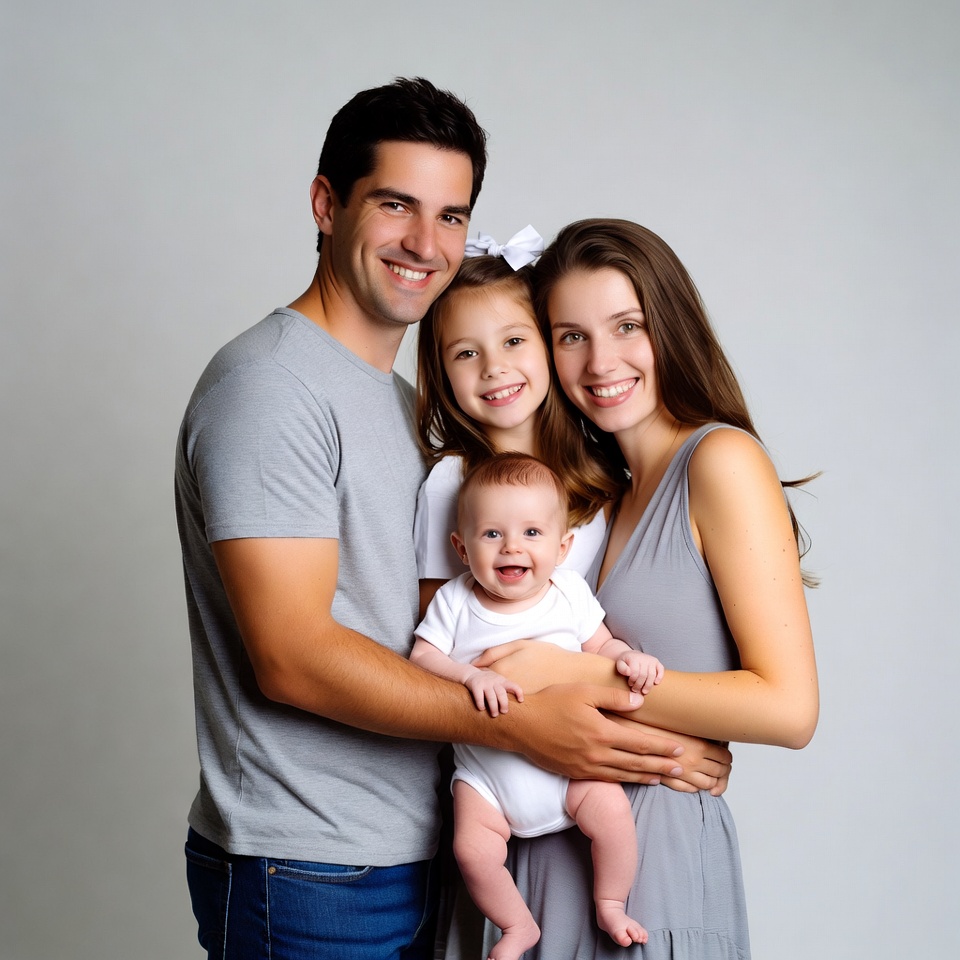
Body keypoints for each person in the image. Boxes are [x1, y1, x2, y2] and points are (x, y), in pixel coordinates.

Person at [174, 79, 716, 960]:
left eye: (452, 216)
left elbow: (485, 616)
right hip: (309, 867)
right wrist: (526, 722)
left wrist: (653, 744)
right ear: (325, 203)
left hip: (411, 853)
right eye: (395, 205)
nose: (426, 244)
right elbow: (291, 655)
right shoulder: (271, 389)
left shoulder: (398, 407)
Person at [465, 219, 820, 959]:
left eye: (627, 326)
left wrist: (568, 674)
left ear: (672, 326)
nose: (601, 362)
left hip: (652, 871)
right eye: (570, 336)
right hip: (551, 849)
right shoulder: (601, 499)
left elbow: (789, 709)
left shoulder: (718, 461)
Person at [412, 453, 663, 959]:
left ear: (562, 546)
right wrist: (469, 674)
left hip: (571, 770)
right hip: (487, 778)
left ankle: (611, 901)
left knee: (613, 814)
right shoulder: (456, 601)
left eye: (531, 533)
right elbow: (421, 657)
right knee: (471, 850)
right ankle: (517, 925)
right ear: (461, 547)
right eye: (491, 535)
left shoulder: (568, 593)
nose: (512, 547)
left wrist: (630, 658)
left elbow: (602, 645)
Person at [414, 246, 620, 599]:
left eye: (513, 341)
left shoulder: (599, 463)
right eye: (466, 353)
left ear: (548, 344)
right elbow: (436, 618)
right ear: (443, 374)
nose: (493, 367)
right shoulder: (451, 482)